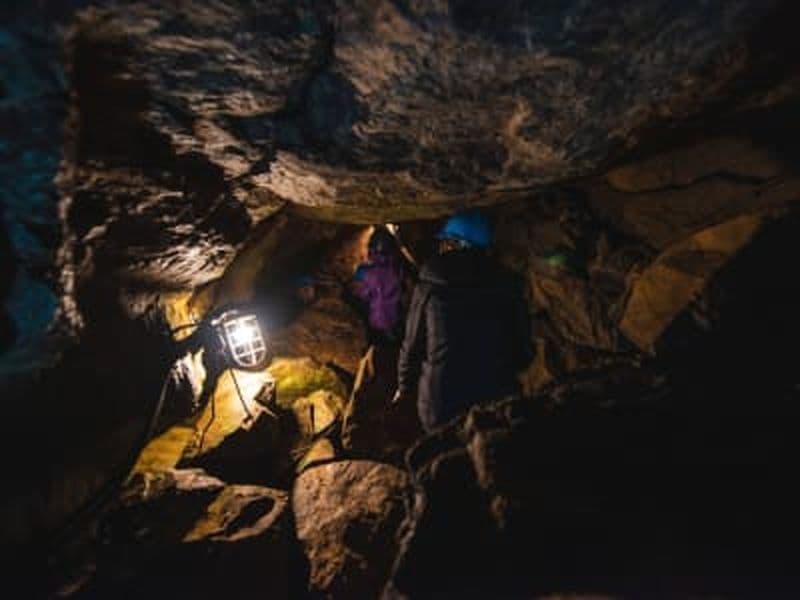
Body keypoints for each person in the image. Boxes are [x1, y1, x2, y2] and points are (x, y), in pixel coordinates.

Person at [394, 210, 533, 432]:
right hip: (495, 400)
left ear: (457, 244)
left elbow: (412, 346)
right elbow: (523, 353)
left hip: (440, 404)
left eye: (446, 243)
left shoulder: (430, 283)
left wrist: (404, 389)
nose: (442, 248)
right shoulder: (508, 285)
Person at [350, 226, 405, 343]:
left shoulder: (365, 271)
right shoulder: (398, 268)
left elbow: (361, 294)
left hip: (375, 322)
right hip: (395, 320)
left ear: (371, 249)